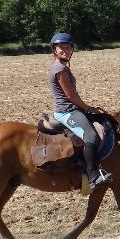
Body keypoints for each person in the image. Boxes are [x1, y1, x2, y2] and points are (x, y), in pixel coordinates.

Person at [48, 32, 113, 189]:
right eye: (61, 48)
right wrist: (88, 108)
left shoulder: (63, 67)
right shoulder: (59, 69)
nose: (65, 50)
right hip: (66, 111)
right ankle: (92, 176)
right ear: (54, 50)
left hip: (72, 109)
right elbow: (71, 95)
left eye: (68, 48)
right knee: (91, 136)